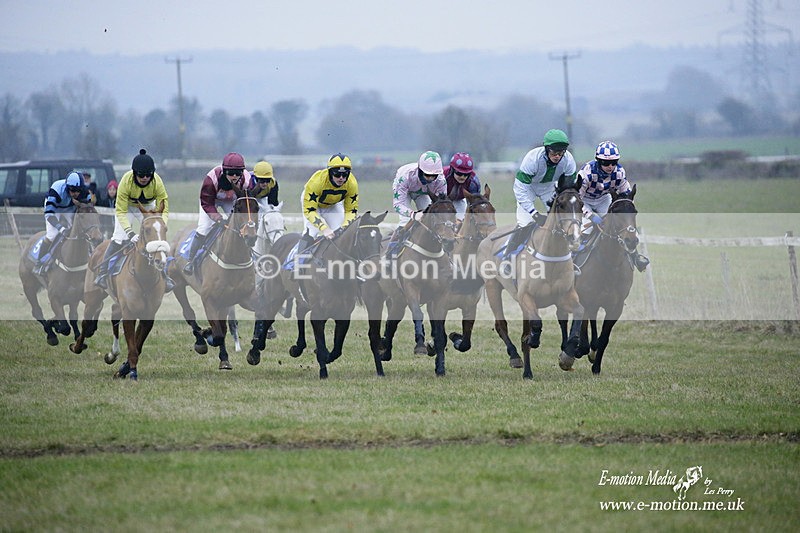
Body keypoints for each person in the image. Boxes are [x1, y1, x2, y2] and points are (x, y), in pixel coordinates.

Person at [94, 149, 171, 290]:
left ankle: (165, 275)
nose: (145, 178)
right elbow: (121, 212)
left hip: (147, 205)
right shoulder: (126, 181)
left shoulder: (157, 181)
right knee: (119, 237)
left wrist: (161, 223)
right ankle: (103, 273)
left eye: (148, 175)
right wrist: (130, 233)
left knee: (157, 236)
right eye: (141, 175)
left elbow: (164, 206)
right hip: (126, 207)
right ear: (134, 173)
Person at [501, 129, 577, 264]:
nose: (557, 157)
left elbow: (568, 189)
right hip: (527, 188)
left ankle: (568, 257)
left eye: (561, 153)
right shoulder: (532, 159)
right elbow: (520, 189)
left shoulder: (568, 160)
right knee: (525, 224)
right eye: (554, 153)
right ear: (546, 149)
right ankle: (508, 256)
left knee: (561, 222)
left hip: (549, 188)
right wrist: (534, 213)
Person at [578, 140, 650, 272]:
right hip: (584, 201)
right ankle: (573, 259)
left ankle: (635, 257)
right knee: (584, 230)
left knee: (620, 227)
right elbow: (577, 199)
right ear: (598, 161)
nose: (610, 166)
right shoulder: (586, 173)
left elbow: (626, 194)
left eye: (614, 162)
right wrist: (590, 216)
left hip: (603, 200)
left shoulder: (619, 172)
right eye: (606, 163)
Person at [183, 152, 253, 275]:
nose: (235, 176)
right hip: (211, 201)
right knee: (204, 227)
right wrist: (218, 218)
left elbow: (246, 203)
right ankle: (191, 261)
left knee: (241, 225)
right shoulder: (211, 179)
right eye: (231, 173)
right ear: (225, 171)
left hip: (231, 200)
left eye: (238, 173)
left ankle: (251, 256)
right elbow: (206, 202)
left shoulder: (247, 181)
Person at [295, 153, 359, 253]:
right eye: (337, 174)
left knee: (343, 234)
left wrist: (344, 227)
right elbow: (310, 211)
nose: (341, 178)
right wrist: (324, 229)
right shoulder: (316, 182)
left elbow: (351, 210)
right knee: (312, 233)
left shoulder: (352, 183)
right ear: (329, 172)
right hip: (313, 206)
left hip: (332, 205)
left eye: (345, 174)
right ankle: (296, 262)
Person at [33, 171, 92, 275]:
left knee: (76, 231)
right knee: (52, 235)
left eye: (78, 191)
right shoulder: (56, 190)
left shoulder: (85, 193)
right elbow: (49, 214)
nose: (76, 194)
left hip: (69, 208)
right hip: (55, 208)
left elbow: (87, 210)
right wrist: (60, 228)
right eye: (73, 190)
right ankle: (39, 263)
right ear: (67, 187)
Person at [444, 152, 481, 222]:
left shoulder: (474, 182)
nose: (462, 177)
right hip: (441, 199)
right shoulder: (442, 177)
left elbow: (474, 204)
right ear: (452, 170)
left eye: (466, 174)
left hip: (459, 200)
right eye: (459, 173)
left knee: (461, 221)